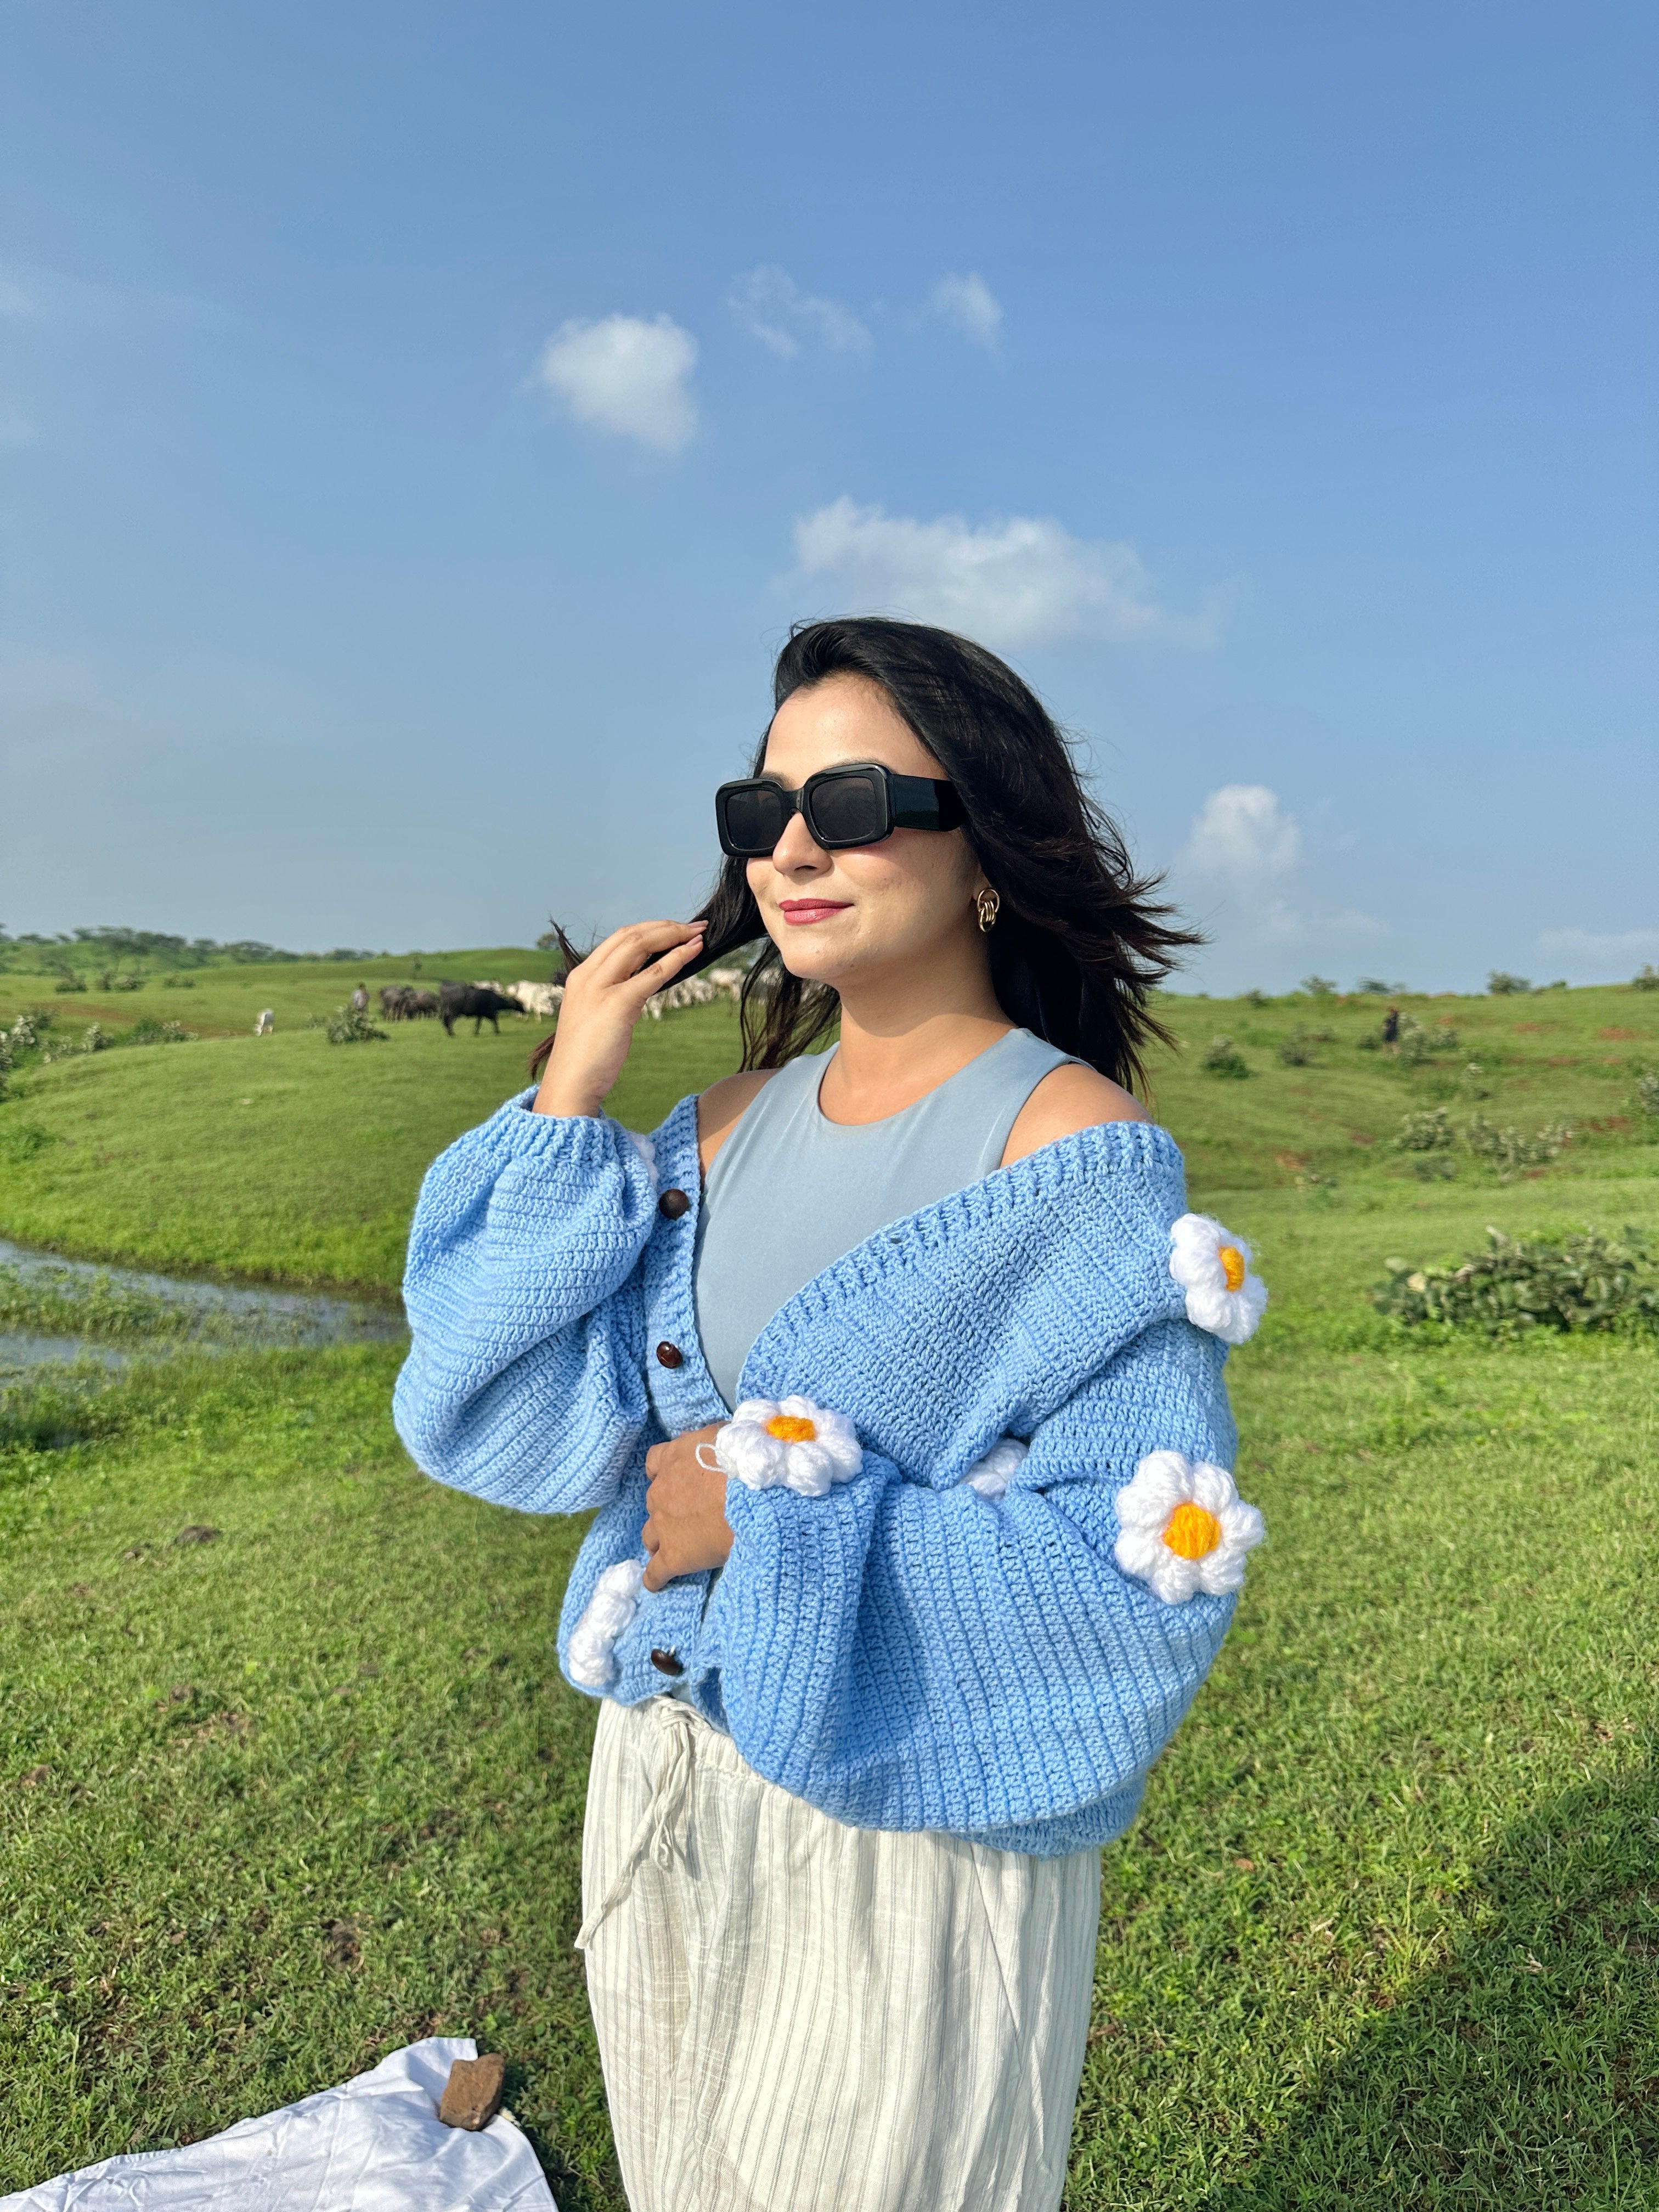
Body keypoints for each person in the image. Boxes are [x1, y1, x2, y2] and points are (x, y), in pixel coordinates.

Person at [394, 618, 1268, 2212]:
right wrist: (569, 1092)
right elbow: (493, 1402)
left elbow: (1137, 1583)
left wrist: (766, 1517)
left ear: (985, 841)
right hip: (663, 1777)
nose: (792, 849)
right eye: (761, 812)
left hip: (908, 1816)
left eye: (852, 802)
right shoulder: (711, 1126)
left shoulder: (1072, 1152)